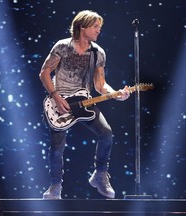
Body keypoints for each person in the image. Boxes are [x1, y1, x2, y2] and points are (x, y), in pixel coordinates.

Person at [39, 10, 130, 199]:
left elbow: (100, 84)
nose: (99, 30)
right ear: (82, 27)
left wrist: (116, 94)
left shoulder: (98, 53)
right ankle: (55, 186)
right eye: (95, 26)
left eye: (100, 27)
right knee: (57, 147)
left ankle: (100, 175)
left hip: (84, 101)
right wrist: (56, 96)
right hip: (60, 102)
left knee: (106, 134)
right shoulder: (62, 46)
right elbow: (44, 73)